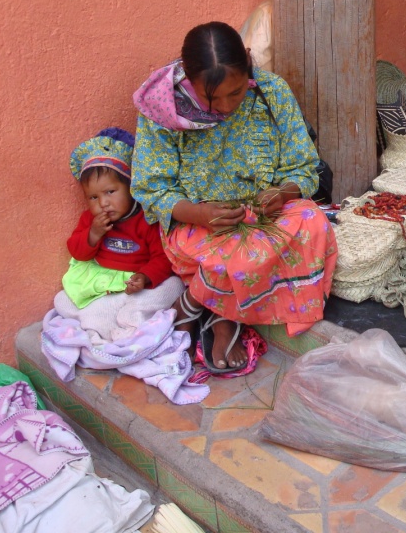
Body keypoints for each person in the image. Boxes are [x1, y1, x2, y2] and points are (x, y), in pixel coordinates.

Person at [131, 22, 337, 374]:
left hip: (266, 219)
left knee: (312, 220)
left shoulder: (272, 92)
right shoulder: (163, 111)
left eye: (237, 92)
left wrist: (281, 192)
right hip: (198, 228)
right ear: (189, 81)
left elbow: (304, 167)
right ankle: (223, 315)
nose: (225, 106)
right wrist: (198, 214)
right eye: (212, 98)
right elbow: (152, 191)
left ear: (248, 68)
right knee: (233, 255)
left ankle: (199, 299)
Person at [64, 128, 174, 309]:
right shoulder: (90, 219)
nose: (103, 203)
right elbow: (78, 253)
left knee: (173, 287)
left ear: (131, 187)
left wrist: (145, 276)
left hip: (136, 281)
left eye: (110, 192)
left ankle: (118, 315)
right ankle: (114, 315)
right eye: (93, 197)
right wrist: (93, 234)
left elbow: (162, 258)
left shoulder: (147, 220)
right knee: (63, 300)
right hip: (101, 279)